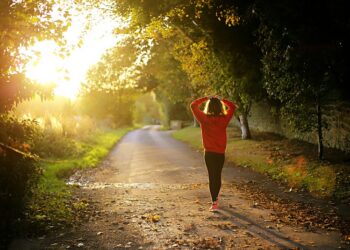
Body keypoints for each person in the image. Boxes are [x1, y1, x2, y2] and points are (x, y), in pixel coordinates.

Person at [190, 96, 236, 212]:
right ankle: (216, 198)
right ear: (220, 107)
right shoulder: (224, 119)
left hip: (209, 153)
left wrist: (205, 98)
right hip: (220, 153)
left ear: (208, 107)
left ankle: (214, 202)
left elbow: (193, 105)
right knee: (218, 175)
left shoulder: (204, 119)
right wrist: (222, 99)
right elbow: (233, 106)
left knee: (212, 176)